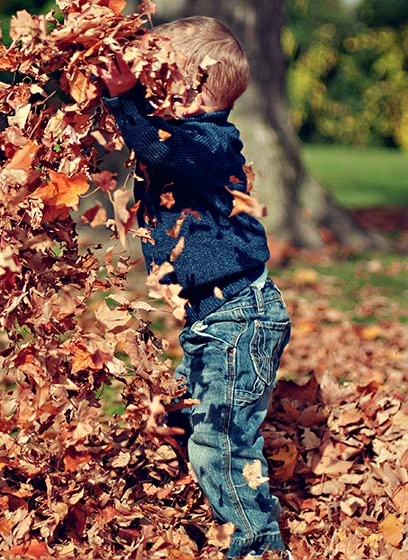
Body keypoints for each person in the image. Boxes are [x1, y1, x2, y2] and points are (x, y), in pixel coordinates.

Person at [96, 16, 293, 560]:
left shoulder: (209, 143)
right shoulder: (185, 137)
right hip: (214, 321)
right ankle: (199, 507)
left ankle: (259, 547)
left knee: (223, 445)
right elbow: (148, 141)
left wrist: (125, 100)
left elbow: (160, 150)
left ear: (190, 88)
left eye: (159, 81)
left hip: (239, 321)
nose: (149, 91)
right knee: (183, 416)